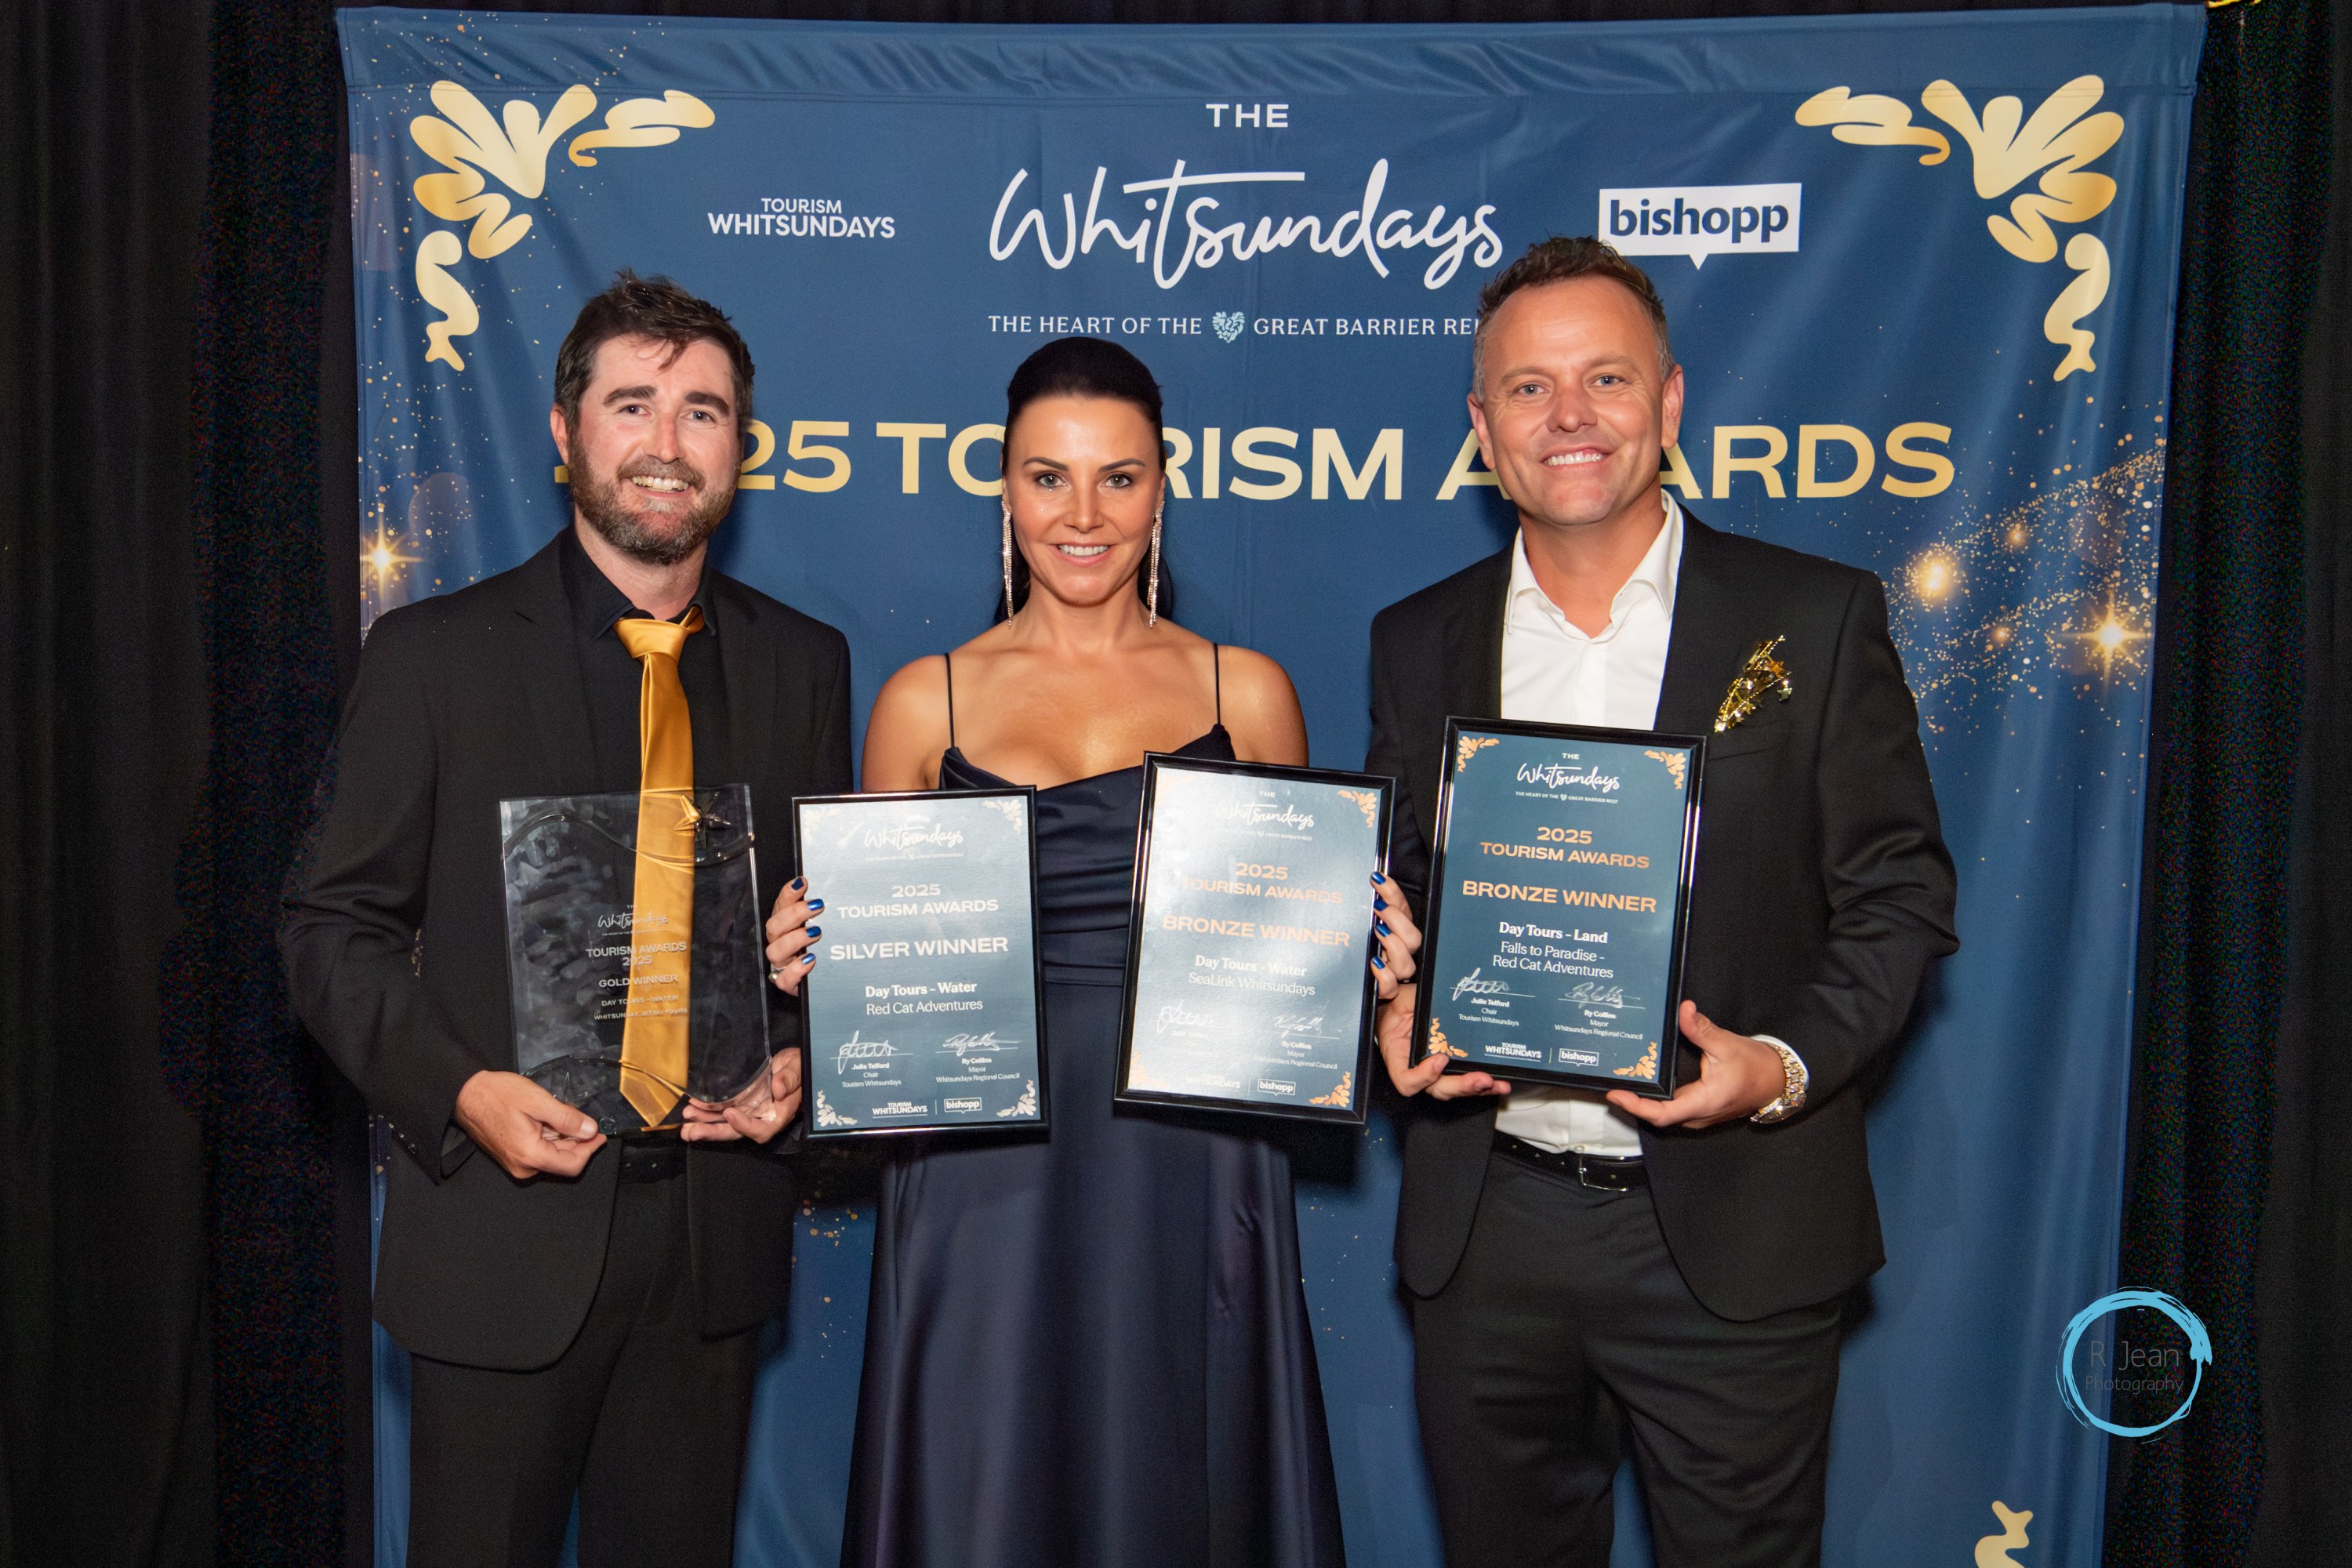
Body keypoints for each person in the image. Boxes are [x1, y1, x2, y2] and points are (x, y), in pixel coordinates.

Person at [1362, 238, 1958, 1566]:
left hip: (1734, 1227)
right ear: (1481, 426)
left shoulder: (1812, 618)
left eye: (1605, 379)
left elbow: (1900, 895)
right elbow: (1395, 890)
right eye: (1527, 389)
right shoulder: (1417, 638)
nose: (1568, 418)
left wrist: (1784, 1066)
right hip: (1488, 1230)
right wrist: (1384, 1000)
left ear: (1670, 403)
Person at [282, 271, 853, 1567]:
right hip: (499, 1236)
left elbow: (820, 935)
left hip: (708, 1241)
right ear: (563, 432)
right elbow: (327, 928)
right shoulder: (435, 657)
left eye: (702, 412)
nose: (666, 444)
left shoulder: (800, 662)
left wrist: (804, 1065)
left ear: (740, 448)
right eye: (633, 405)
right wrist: (461, 1092)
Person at [783, 336, 1346, 1567]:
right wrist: (817, 961)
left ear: (1164, 486)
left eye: (1119, 478)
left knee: (1182, 1480)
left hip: (1192, 1170)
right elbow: (877, 999)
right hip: (983, 1174)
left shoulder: (1246, 693)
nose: (1082, 515)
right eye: (1049, 478)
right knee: (985, 1486)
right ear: (1003, 487)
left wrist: (1363, 944)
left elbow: (1299, 972)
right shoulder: (921, 702)